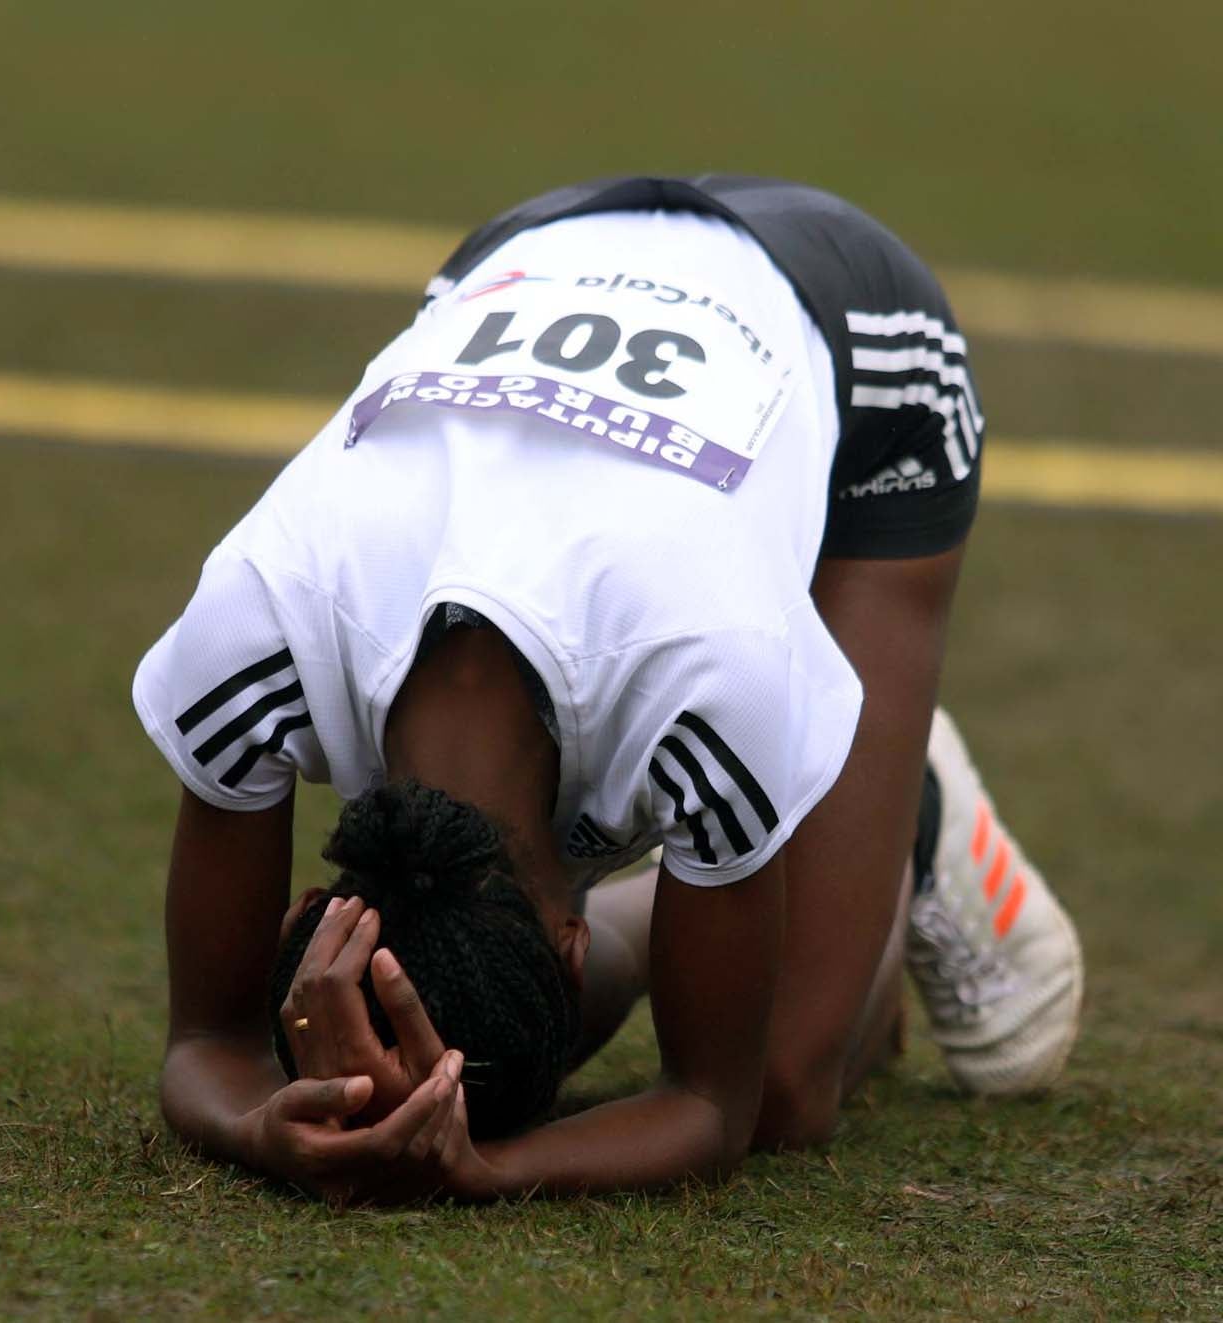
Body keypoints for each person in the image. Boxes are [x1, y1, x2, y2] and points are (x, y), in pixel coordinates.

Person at [132, 176, 1084, 1202]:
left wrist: (479, 1169)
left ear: (304, 917)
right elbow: (206, 1046)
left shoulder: (706, 681)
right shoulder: (249, 638)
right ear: (307, 914)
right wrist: (264, 1114)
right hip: (529, 272)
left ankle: (901, 807)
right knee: (472, 1034)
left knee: (788, 1083)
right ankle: (820, 806)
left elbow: (717, 1107)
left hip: (850, 327)